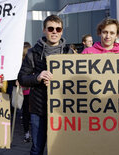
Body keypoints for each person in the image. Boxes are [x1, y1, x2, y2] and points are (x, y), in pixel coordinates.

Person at [18, 15, 73, 155]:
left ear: (61, 31)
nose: (54, 32)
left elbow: (75, 79)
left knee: (60, 149)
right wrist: (37, 77)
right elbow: (22, 78)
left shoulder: (69, 52)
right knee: (37, 148)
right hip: (39, 108)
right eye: (50, 28)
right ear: (44, 30)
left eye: (58, 29)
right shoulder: (33, 52)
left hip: (62, 109)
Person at [21, 41, 32, 143]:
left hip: (25, 92)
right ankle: (28, 133)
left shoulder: (20, 62)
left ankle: (27, 133)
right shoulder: (28, 62)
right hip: (29, 91)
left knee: (26, 113)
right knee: (30, 112)